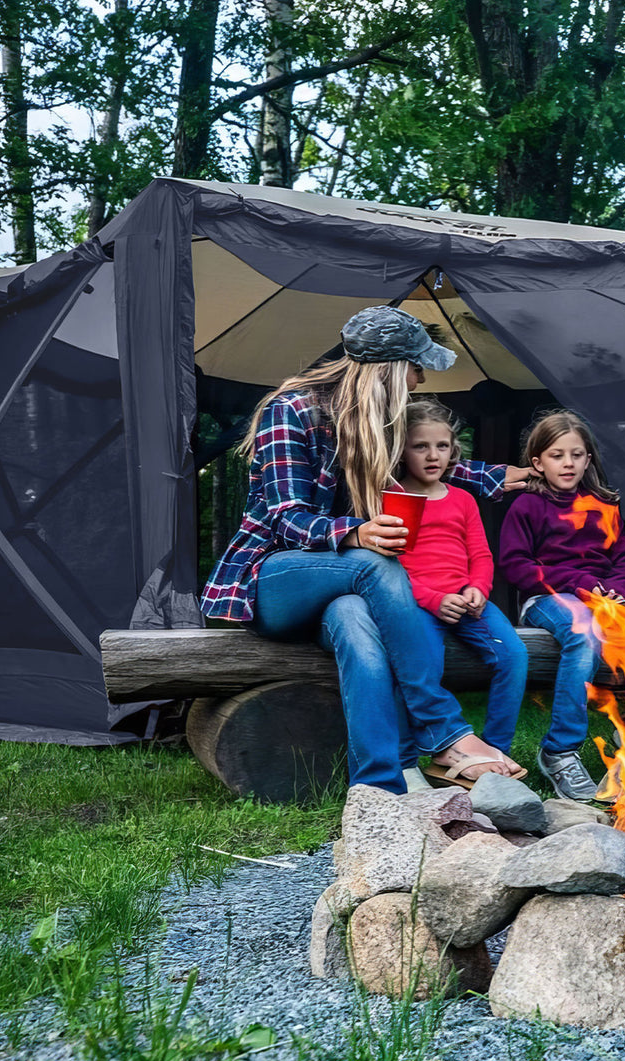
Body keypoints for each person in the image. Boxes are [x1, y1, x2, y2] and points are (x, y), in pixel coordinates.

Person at [200, 306, 533, 794]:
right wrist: (356, 533)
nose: (421, 380)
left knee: (359, 630)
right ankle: (443, 731)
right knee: (376, 565)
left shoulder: (379, 420)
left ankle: (382, 787)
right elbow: (283, 517)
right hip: (274, 578)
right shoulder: (291, 410)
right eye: (417, 368)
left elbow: (433, 466)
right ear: (390, 370)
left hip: (345, 584)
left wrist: (499, 476)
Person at [500, 410, 625, 801]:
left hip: (605, 594)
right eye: (557, 455)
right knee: (584, 633)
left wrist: (616, 589)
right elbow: (517, 566)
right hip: (550, 598)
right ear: (537, 462)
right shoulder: (527, 507)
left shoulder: (602, 503)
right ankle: (560, 749)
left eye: (576, 455)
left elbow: (623, 559)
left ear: (588, 459)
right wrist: (583, 586)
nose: (568, 463)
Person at [395, 398, 528, 785]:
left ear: (454, 450)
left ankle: (493, 750)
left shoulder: (462, 499)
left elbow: (481, 554)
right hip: (419, 605)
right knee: (421, 667)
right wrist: (433, 600)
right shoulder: (397, 501)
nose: (433, 455)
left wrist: (478, 589)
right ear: (402, 450)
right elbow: (391, 568)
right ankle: (421, 755)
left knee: (513, 656)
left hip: (469, 602)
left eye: (442, 446)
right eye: (420, 446)